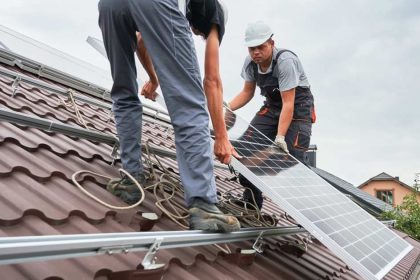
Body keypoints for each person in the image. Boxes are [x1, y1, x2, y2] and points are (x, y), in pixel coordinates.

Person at [98, 0, 240, 232]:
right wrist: (222, 135)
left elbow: (143, 41)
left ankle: (131, 179)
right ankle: (203, 203)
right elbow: (211, 81)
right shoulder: (214, 13)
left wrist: (154, 80)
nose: (197, 35)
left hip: (110, 5)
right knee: (190, 103)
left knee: (124, 93)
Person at [226, 20, 315, 209]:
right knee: (244, 148)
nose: (256, 52)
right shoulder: (250, 63)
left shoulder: (285, 61)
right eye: (252, 48)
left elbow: (289, 103)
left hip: (298, 109)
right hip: (273, 107)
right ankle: (252, 201)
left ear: (271, 44)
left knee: (291, 159)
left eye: (260, 47)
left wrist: (280, 137)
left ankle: (309, 207)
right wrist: (226, 107)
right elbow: (247, 92)